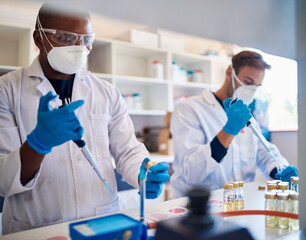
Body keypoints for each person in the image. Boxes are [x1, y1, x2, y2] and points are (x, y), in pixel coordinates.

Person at [0, 3, 169, 234]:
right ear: (39, 39)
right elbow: (3, 180)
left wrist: (144, 172)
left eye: (85, 39)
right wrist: (37, 144)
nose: (79, 47)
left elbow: (128, 150)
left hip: (102, 221)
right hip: (37, 227)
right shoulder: (6, 90)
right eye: (66, 38)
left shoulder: (107, 92)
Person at [170, 50, 298, 198]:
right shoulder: (189, 109)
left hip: (239, 201)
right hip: (198, 205)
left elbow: (265, 154)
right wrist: (229, 131)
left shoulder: (248, 118)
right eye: (248, 82)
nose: (251, 90)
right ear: (230, 72)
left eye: (257, 86)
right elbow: (190, 172)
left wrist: (280, 169)